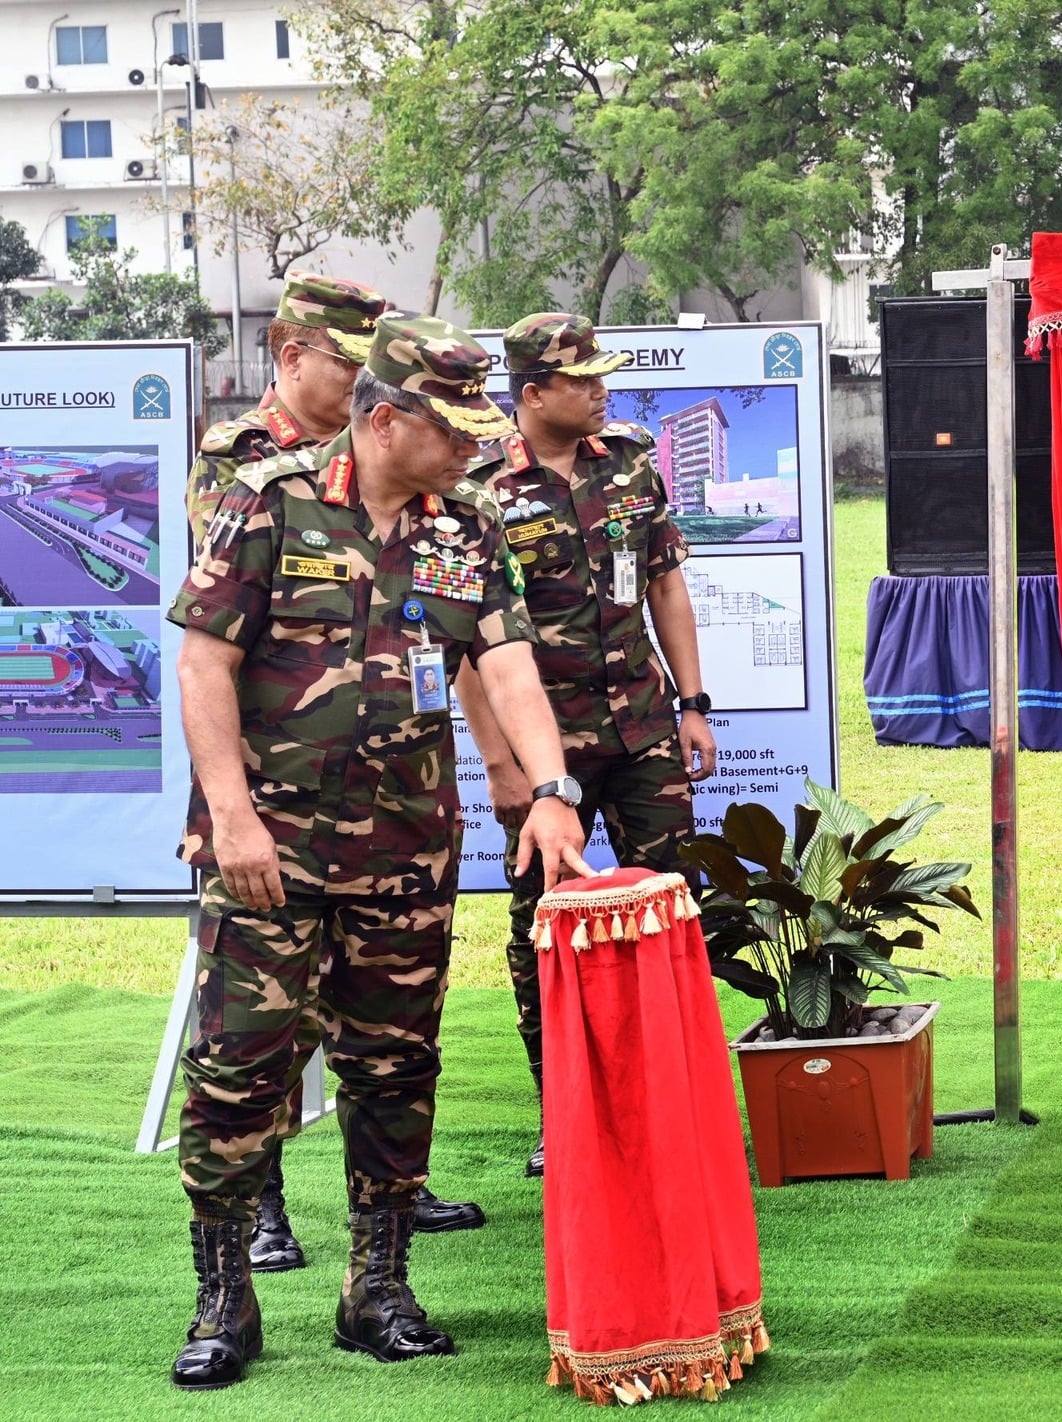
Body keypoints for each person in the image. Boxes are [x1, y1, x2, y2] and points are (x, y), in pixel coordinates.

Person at [167, 313, 593, 1391]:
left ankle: (378, 1290)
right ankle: (225, 1297)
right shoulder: (270, 500)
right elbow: (205, 664)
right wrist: (231, 815)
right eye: (451, 430)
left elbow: (505, 663)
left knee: (395, 1068)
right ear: (389, 418)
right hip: (270, 846)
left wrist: (550, 789)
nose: (470, 449)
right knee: (238, 1069)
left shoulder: (469, 522)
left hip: (405, 850)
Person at [456, 312, 716, 1176]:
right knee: (546, 923)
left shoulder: (632, 460)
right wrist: (504, 764)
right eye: (584, 379)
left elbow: (665, 587)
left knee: (673, 904)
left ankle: (674, 1101)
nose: (603, 390)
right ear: (533, 394)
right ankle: (562, 1113)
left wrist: (693, 704)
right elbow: (469, 644)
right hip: (546, 756)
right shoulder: (481, 488)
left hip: (642, 728)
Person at [186, 274, 385, 548]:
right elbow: (232, 562)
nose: (366, 377)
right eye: (351, 362)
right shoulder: (236, 454)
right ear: (293, 360)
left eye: (373, 364)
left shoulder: (379, 445)